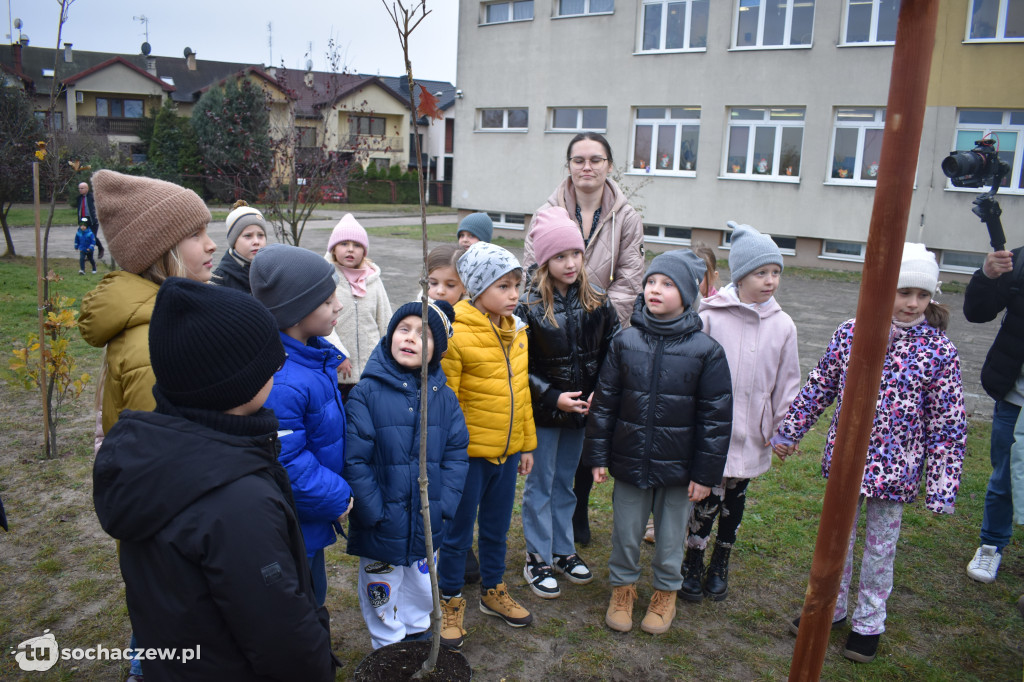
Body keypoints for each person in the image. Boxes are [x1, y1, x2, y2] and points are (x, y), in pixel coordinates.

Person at [93, 278, 336, 681]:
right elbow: (280, 634)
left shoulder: (150, 458)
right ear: (238, 384)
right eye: (271, 365)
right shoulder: (237, 502)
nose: (277, 370)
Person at [773, 243, 967, 664]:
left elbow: (947, 423)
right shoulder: (850, 333)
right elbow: (820, 385)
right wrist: (790, 430)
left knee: (880, 549)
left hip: (895, 471)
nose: (913, 304)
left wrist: (941, 486)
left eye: (922, 295)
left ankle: (868, 622)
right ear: (881, 290)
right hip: (847, 463)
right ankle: (830, 608)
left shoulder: (937, 351)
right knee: (835, 541)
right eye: (903, 292)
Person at [78, 169, 218, 682]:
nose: (212, 245)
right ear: (159, 251)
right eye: (197, 236)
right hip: (172, 528)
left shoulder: (169, 315)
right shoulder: (155, 340)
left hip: (173, 523)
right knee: (172, 625)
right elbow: (164, 456)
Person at [584, 249, 733, 635]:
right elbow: (605, 403)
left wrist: (705, 474)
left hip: (680, 470)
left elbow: (716, 420)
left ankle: (666, 592)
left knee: (669, 539)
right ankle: (623, 589)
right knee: (626, 532)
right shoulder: (625, 341)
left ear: (686, 293)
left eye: (667, 284)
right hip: (630, 461)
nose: (655, 289)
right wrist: (598, 454)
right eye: (651, 281)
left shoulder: (706, 352)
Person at [523, 131, 646, 547]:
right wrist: (558, 313)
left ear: (609, 165)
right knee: (552, 443)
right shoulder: (548, 211)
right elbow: (530, 269)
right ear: (569, 166)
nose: (587, 167)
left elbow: (630, 277)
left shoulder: (626, 216)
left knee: (585, 432)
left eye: (596, 159)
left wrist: (597, 314)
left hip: (597, 327)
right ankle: (547, 541)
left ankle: (575, 512)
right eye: (579, 160)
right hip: (552, 327)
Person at [679, 222, 801, 602]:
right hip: (713, 432)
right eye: (761, 273)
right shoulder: (712, 316)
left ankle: (721, 560)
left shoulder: (783, 326)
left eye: (775, 273)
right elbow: (691, 369)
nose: (769, 281)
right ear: (742, 275)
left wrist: (784, 429)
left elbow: (788, 382)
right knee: (706, 499)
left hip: (753, 431)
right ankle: (693, 560)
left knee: (735, 499)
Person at [345, 300, 469, 649]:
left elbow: (457, 455)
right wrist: (373, 512)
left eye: (423, 334)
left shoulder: (444, 399)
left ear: (437, 351)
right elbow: (356, 459)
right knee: (381, 589)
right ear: (390, 336)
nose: (411, 338)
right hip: (382, 520)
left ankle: (416, 634)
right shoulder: (366, 393)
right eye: (404, 329)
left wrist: (443, 506)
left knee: (421, 585)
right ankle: (387, 644)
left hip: (426, 521)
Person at [437, 241, 537, 649]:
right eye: (504, 286)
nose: (514, 294)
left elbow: (522, 393)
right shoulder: (456, 334)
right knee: (458, 532)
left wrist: (526, 444)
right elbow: (448, 403)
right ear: (477, 288)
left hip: (508, 453)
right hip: (468, 459)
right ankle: (449, 599)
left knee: (496, 528)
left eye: (517, 285)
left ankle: (493, 590)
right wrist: (451, 456)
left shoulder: (517, 331)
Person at [517, 207, 619, 599]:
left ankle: (563, 549)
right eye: (560, 256)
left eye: (576, 253)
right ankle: (537, 557)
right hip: (544, 414)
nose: (571, 263)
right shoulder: (527, 305)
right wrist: (552, 395)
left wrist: (601, 391)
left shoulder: (597, 299)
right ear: (544, 260)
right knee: (540, 484)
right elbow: (517, 364)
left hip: (581, 414)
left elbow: (614, 348)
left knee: (566, 483)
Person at [250, 243, 354, 607]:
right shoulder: (284, 381)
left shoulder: (311, 358)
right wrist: (337, 496)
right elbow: (288, 462)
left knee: (313, 593)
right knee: (300, 601)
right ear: (295, 314)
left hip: (307, 517)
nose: (338, 305)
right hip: (293, 521)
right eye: (327, 302)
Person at [962, 244, 1024, 584]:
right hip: (1015, 397)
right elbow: (978, 311)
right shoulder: (1019, 260)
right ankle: (991, 544)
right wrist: (987, 275)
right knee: (1004, 478)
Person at [325, 214, 393, 401]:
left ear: (364, 250)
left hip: (371, 370)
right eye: (344, 244)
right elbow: (323, 324)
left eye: (356, 245)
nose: (350, 249)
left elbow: (386, 319)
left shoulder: (373, 280)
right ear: (333, 248)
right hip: (339, 372)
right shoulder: (327, 279)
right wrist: (338, 354)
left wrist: (388, 358)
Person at [212, 200, 268, 294]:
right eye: (248, 236)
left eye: (260, 235)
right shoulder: (218, 282)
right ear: (233, 241)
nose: (256, 242)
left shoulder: (273, 273)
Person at [76, 181, 105, 260]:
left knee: (92, 236)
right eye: (79, 188)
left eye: (82, 188)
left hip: (92, 219)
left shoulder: (92, 196)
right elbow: (79, 209)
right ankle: (89, 256)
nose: (80, 190)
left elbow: (99, 206)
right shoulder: (79, 198)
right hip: (83, 219)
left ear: (87, 188)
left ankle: (100, 248)